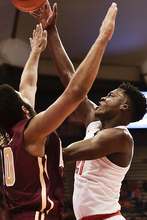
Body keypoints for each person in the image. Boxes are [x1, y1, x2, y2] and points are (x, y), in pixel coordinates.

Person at [0, 4, 118, 220]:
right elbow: (75, 92)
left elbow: (28, 86)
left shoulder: (12, 135)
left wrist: (35, 53)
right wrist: (102, 39)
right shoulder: (32, 130)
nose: (24, 92)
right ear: (24, 109)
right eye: (21, 96)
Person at [30, 1, 147, 219]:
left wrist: (22, 142)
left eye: (111, 96)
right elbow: (69, 79)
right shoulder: (94, 120)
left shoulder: (121, 137)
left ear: (124, 107)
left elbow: (66, 154)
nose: (103, 97)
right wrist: (51, 28)